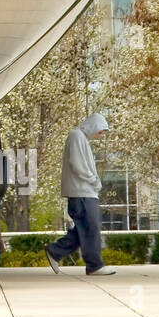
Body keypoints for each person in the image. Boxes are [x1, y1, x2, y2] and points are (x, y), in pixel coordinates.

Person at [45, 113, 115, 276]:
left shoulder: (80, 138)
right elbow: (77, 164)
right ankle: (94, 265)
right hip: (82, 192)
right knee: (90, 228)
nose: (100, 135)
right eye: (100, 131)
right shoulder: (76, 136)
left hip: (84, 192)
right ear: (93, 126)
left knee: (85, 229)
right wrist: (93, 180)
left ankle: (55, 251)